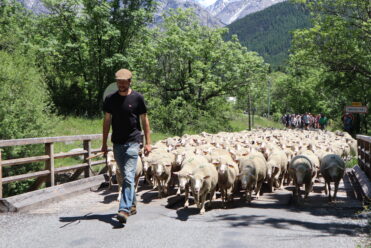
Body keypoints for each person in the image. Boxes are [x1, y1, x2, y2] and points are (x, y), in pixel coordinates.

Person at [101, 68, 151, 224]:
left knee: (129, 175)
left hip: (133, 142)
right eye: (118, 82)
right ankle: (132, 204)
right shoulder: (110, 99)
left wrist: (148, 142)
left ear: (130, 81)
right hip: (117, 143)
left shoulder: (138, 98)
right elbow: (107, 121)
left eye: (123, 82)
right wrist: (104, 143)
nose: (121, 84)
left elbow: (144, 120)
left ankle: (123, 209)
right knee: (123, 176)